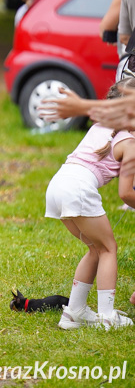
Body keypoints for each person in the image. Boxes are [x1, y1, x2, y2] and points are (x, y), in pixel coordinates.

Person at [46, 78, 135, 329]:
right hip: (78, 188)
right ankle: (107, 317)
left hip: (58, 184)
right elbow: (126, 194)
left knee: (95, 249)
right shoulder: (129, 142)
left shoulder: (100, 126)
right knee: (108, 248)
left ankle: (74, 313)